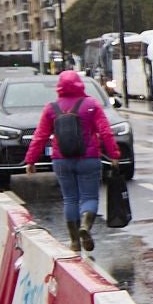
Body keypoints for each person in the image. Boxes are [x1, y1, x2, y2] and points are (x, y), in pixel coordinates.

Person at [22, 70, 120, 252]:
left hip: (61, 160)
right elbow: (105, 131)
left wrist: (31, 160)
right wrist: (114, 154)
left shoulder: (52, 108)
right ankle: (85, 225)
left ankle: (74, 241)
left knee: (70, 199)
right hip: (89, 158)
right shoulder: (91, 104)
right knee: (89, 197)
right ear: (80, 84)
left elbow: (40, 136)